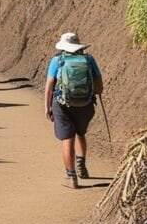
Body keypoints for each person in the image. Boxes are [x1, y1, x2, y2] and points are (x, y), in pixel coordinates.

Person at [44, 32, 103, 189]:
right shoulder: (89, 60)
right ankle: (81, 165)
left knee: (67, 139)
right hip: (86, 105)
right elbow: (99, 87)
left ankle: (72, 177)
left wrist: (47, 106)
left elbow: (50, 86)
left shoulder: (57, 60)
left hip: (62, 105)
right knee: (80, 134)